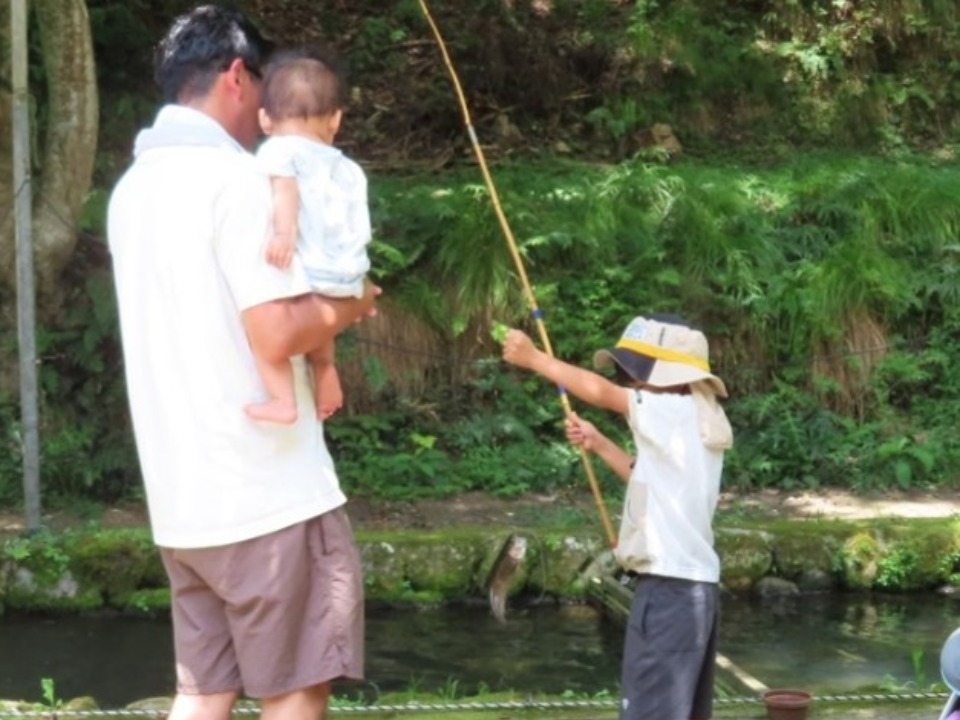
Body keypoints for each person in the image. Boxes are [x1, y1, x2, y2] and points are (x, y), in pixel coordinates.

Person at [106, 5, 378, 720]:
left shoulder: (132, 191)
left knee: (203, 692)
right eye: (265, 81)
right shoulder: (235, 184)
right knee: (294, 689)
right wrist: (357, 304)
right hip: (265, 495)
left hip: (183, 504)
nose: (272, 102)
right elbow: (276, 331)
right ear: (236, 76)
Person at [501, 314, 733, 720]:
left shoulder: (671, 410)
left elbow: (602, 392)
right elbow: (648, 478)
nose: (630, 383)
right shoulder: (699, 418)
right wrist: (600, 442)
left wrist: (536, 359)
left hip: (668, 593)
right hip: (696, 594)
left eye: (636, 374)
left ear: (670, 377)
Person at [246, 47, 372, 424]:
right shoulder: (349, 168)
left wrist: (284, 234)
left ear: (265, 119)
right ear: (335, 119)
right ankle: (325, 367)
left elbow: (285, 191)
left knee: (266, 342)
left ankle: (283, 399)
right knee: (319, 302)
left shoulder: (277, 151)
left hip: (313, 271)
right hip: (351, 276)